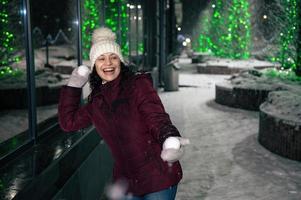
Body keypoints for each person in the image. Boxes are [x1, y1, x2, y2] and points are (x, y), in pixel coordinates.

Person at [58, 27, 189, 200]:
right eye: (101, 59)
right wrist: (74, 85)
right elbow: (68, 122)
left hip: (158, 177)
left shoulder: (137, 86)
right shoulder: (97, 101)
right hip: (127, 182)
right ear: (94, 65)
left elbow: (157, 118)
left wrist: (169, 139)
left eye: (114, 57)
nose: (108, 63)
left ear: (120, 62)